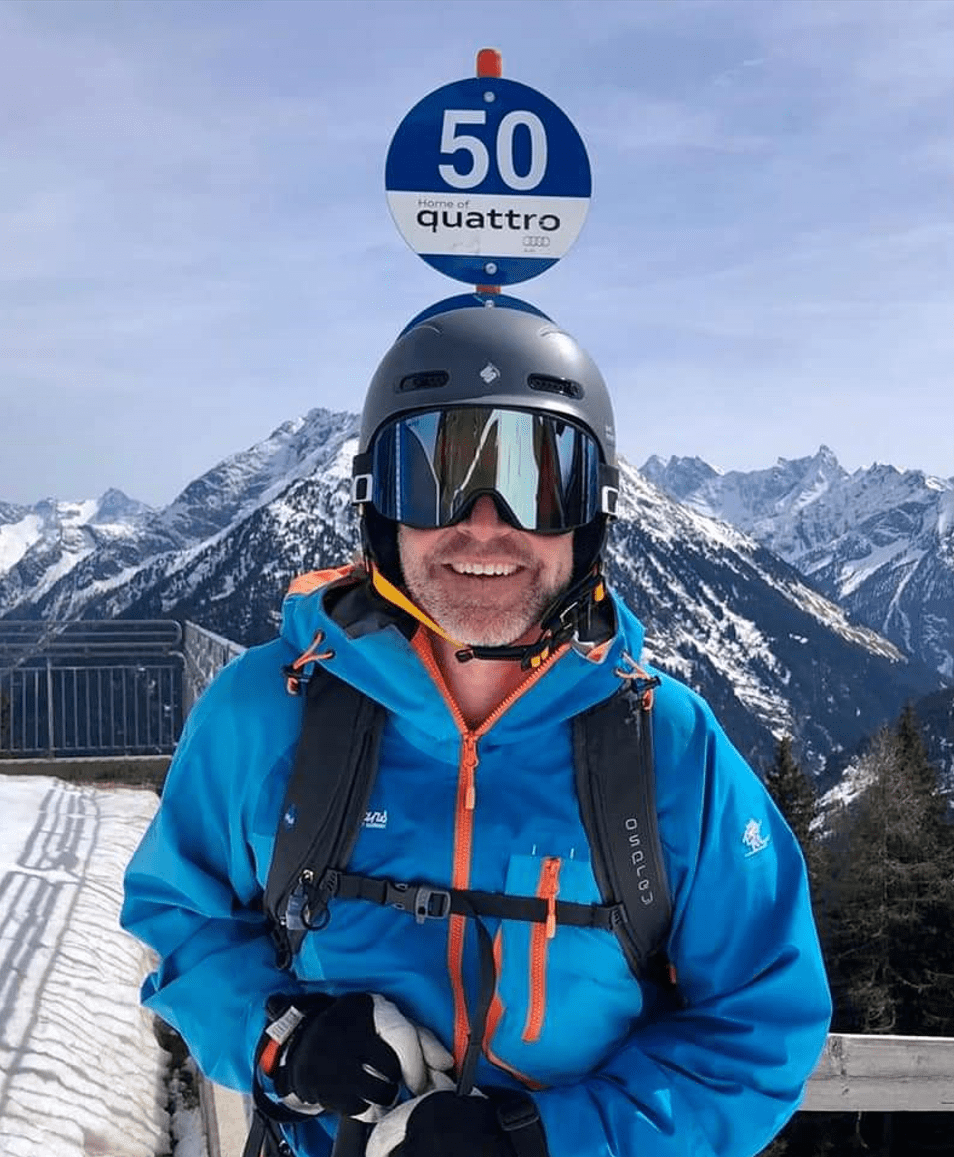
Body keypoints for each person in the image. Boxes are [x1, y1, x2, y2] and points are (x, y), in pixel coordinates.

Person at [122, 301, 832, 1157]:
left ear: (593, 513)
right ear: (379, 506)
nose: (486, 523)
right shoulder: (266, 712)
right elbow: (180, 914)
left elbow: (761, 1028)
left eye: (542, 482)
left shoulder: (669, 750)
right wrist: (283, 1038)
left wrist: (543, 1141)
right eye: (435, 478)